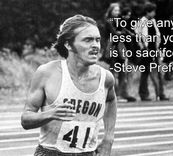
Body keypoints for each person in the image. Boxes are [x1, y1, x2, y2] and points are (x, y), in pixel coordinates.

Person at [21, 14, 117, 156]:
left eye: (97, 40)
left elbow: (111, 100)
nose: (96, 45)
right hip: (50, 152)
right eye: (88, 40)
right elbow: (26, 119)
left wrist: (108, 138)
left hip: (88, 153)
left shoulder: (105, 78)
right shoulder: (47, 73)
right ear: (68, 44)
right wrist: (50, 114)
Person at [102, 3, 136, 102]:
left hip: (120, 49)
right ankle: (111, 94)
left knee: (122, 72)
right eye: (115, 10)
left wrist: (125, 32)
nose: (117, 12)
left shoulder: (119, 21)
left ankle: (119, 94)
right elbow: (115, 33)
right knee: (113, 72)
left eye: (118, 11)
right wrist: (122, 33)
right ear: (111, 11)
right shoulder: (109, 21)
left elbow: (125, 31)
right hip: (112, 48)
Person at [136, 2, 168, 101]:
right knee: (145, 73)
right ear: (147, 12)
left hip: (155, 49)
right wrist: (142, 47)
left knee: (159, 72)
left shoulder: (153, 21)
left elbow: (157, 34)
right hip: (146, 50)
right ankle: (144, 94)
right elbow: (137, 36)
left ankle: (161, 94)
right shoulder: (141, 22)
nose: (154, 13)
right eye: (152, 11)